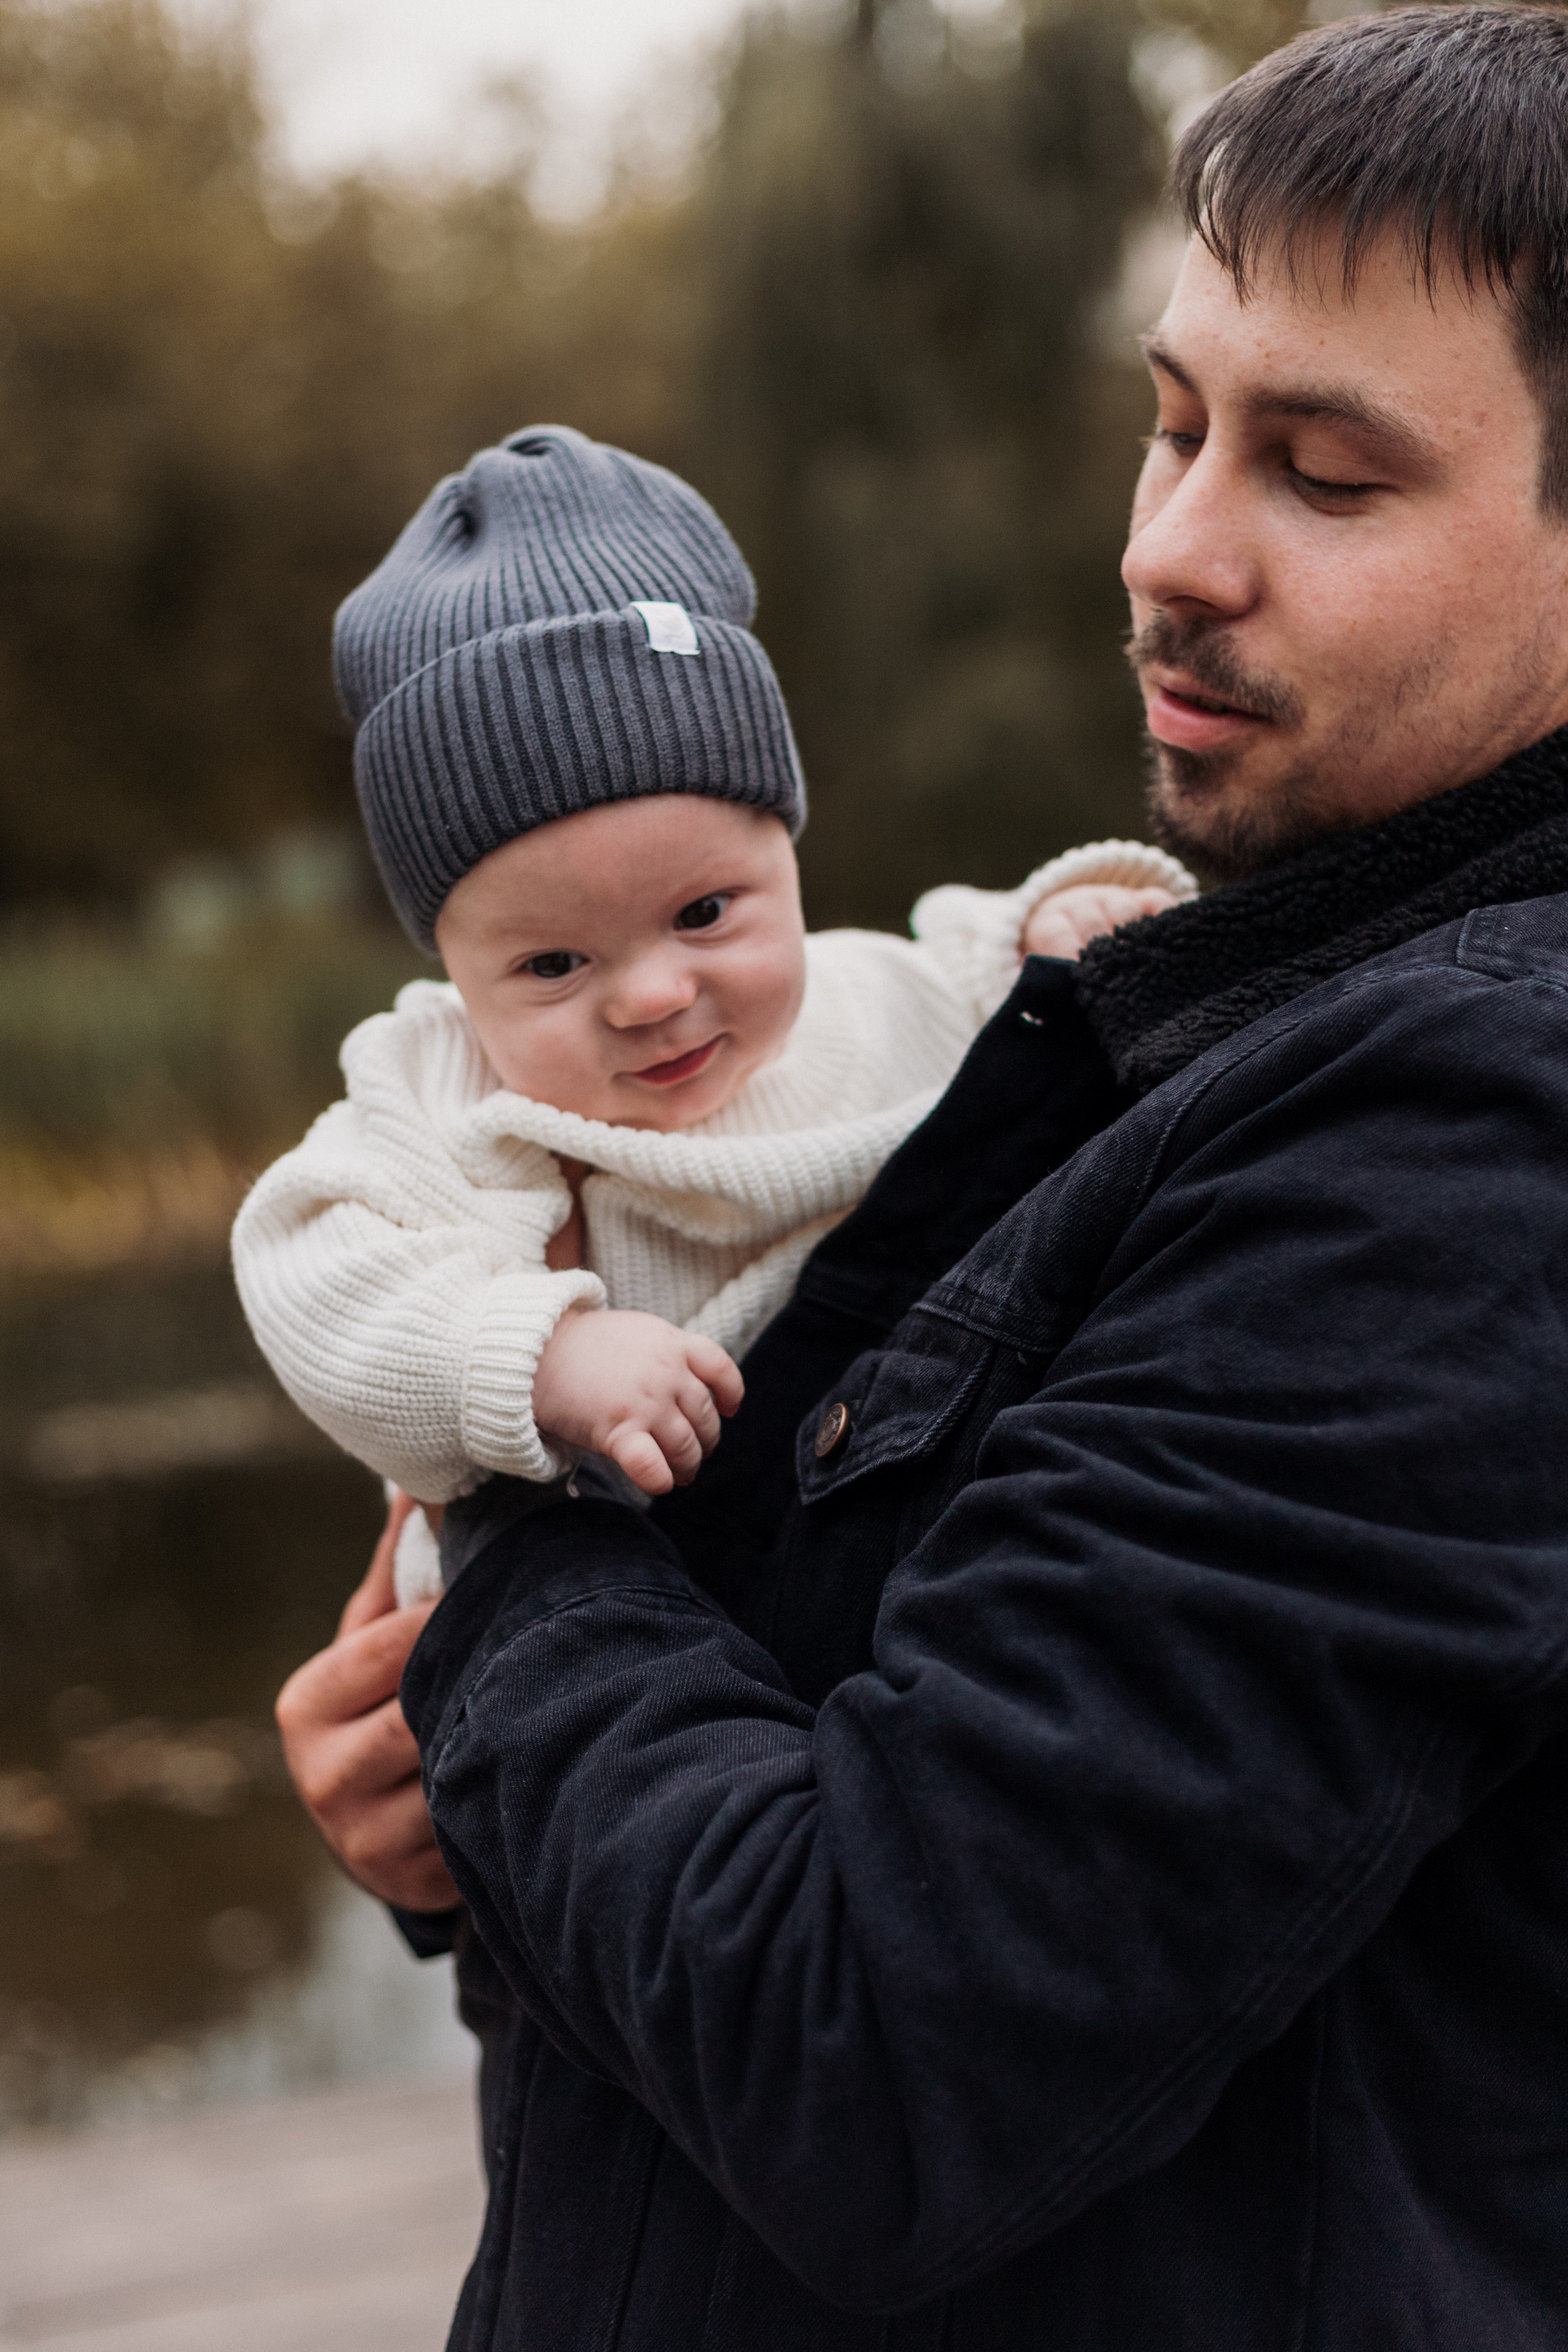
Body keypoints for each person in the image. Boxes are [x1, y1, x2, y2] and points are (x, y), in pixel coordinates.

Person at [277, 8, 1568, 2345]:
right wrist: (469, 1854)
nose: (1171, 551)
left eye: (1327, 476)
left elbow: (864, 2046)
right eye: (1174, 421)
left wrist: (504, 1580)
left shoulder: (1475, 1134)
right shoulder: (1181, 1003)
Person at [235, 425, 1185, 1598]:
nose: (651, 996)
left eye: (702, 914)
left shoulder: (881, 994)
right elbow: (312, 1270)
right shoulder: (446, 1096)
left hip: (881, 1550)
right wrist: (539, 1356)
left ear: (785, 853)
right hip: (581, 1631)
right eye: (550, 966)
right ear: (450, 961)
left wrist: (1062, 927)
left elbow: (993, 982)